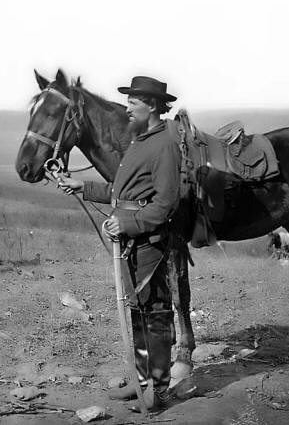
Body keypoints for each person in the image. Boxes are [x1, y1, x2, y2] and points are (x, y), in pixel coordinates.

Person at [59, 76, 181, 412]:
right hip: (131, 240)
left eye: (133, 102)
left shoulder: (164, 144)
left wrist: (126, 222)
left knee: (155, 312)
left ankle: (158, 388)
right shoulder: (141, 139)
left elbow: (165, 203)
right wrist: (82, 186)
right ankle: (141, 382)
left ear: (153, 105)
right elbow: (121, 193)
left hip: (148, 241)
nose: (126, 108)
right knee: (138, 310)